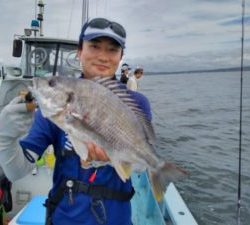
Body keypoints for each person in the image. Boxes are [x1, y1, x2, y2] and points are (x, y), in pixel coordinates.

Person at [0, 17, 152, 225]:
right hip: (65, 218)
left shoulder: (136, 103)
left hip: (117, 219)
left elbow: (140, 165)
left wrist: (114, 158)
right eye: (94, 46)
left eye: (112, 50)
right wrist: (5, 137)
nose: (103, 56)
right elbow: (17, 172)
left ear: (121, 56)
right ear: (80, 51)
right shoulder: (53, 108)